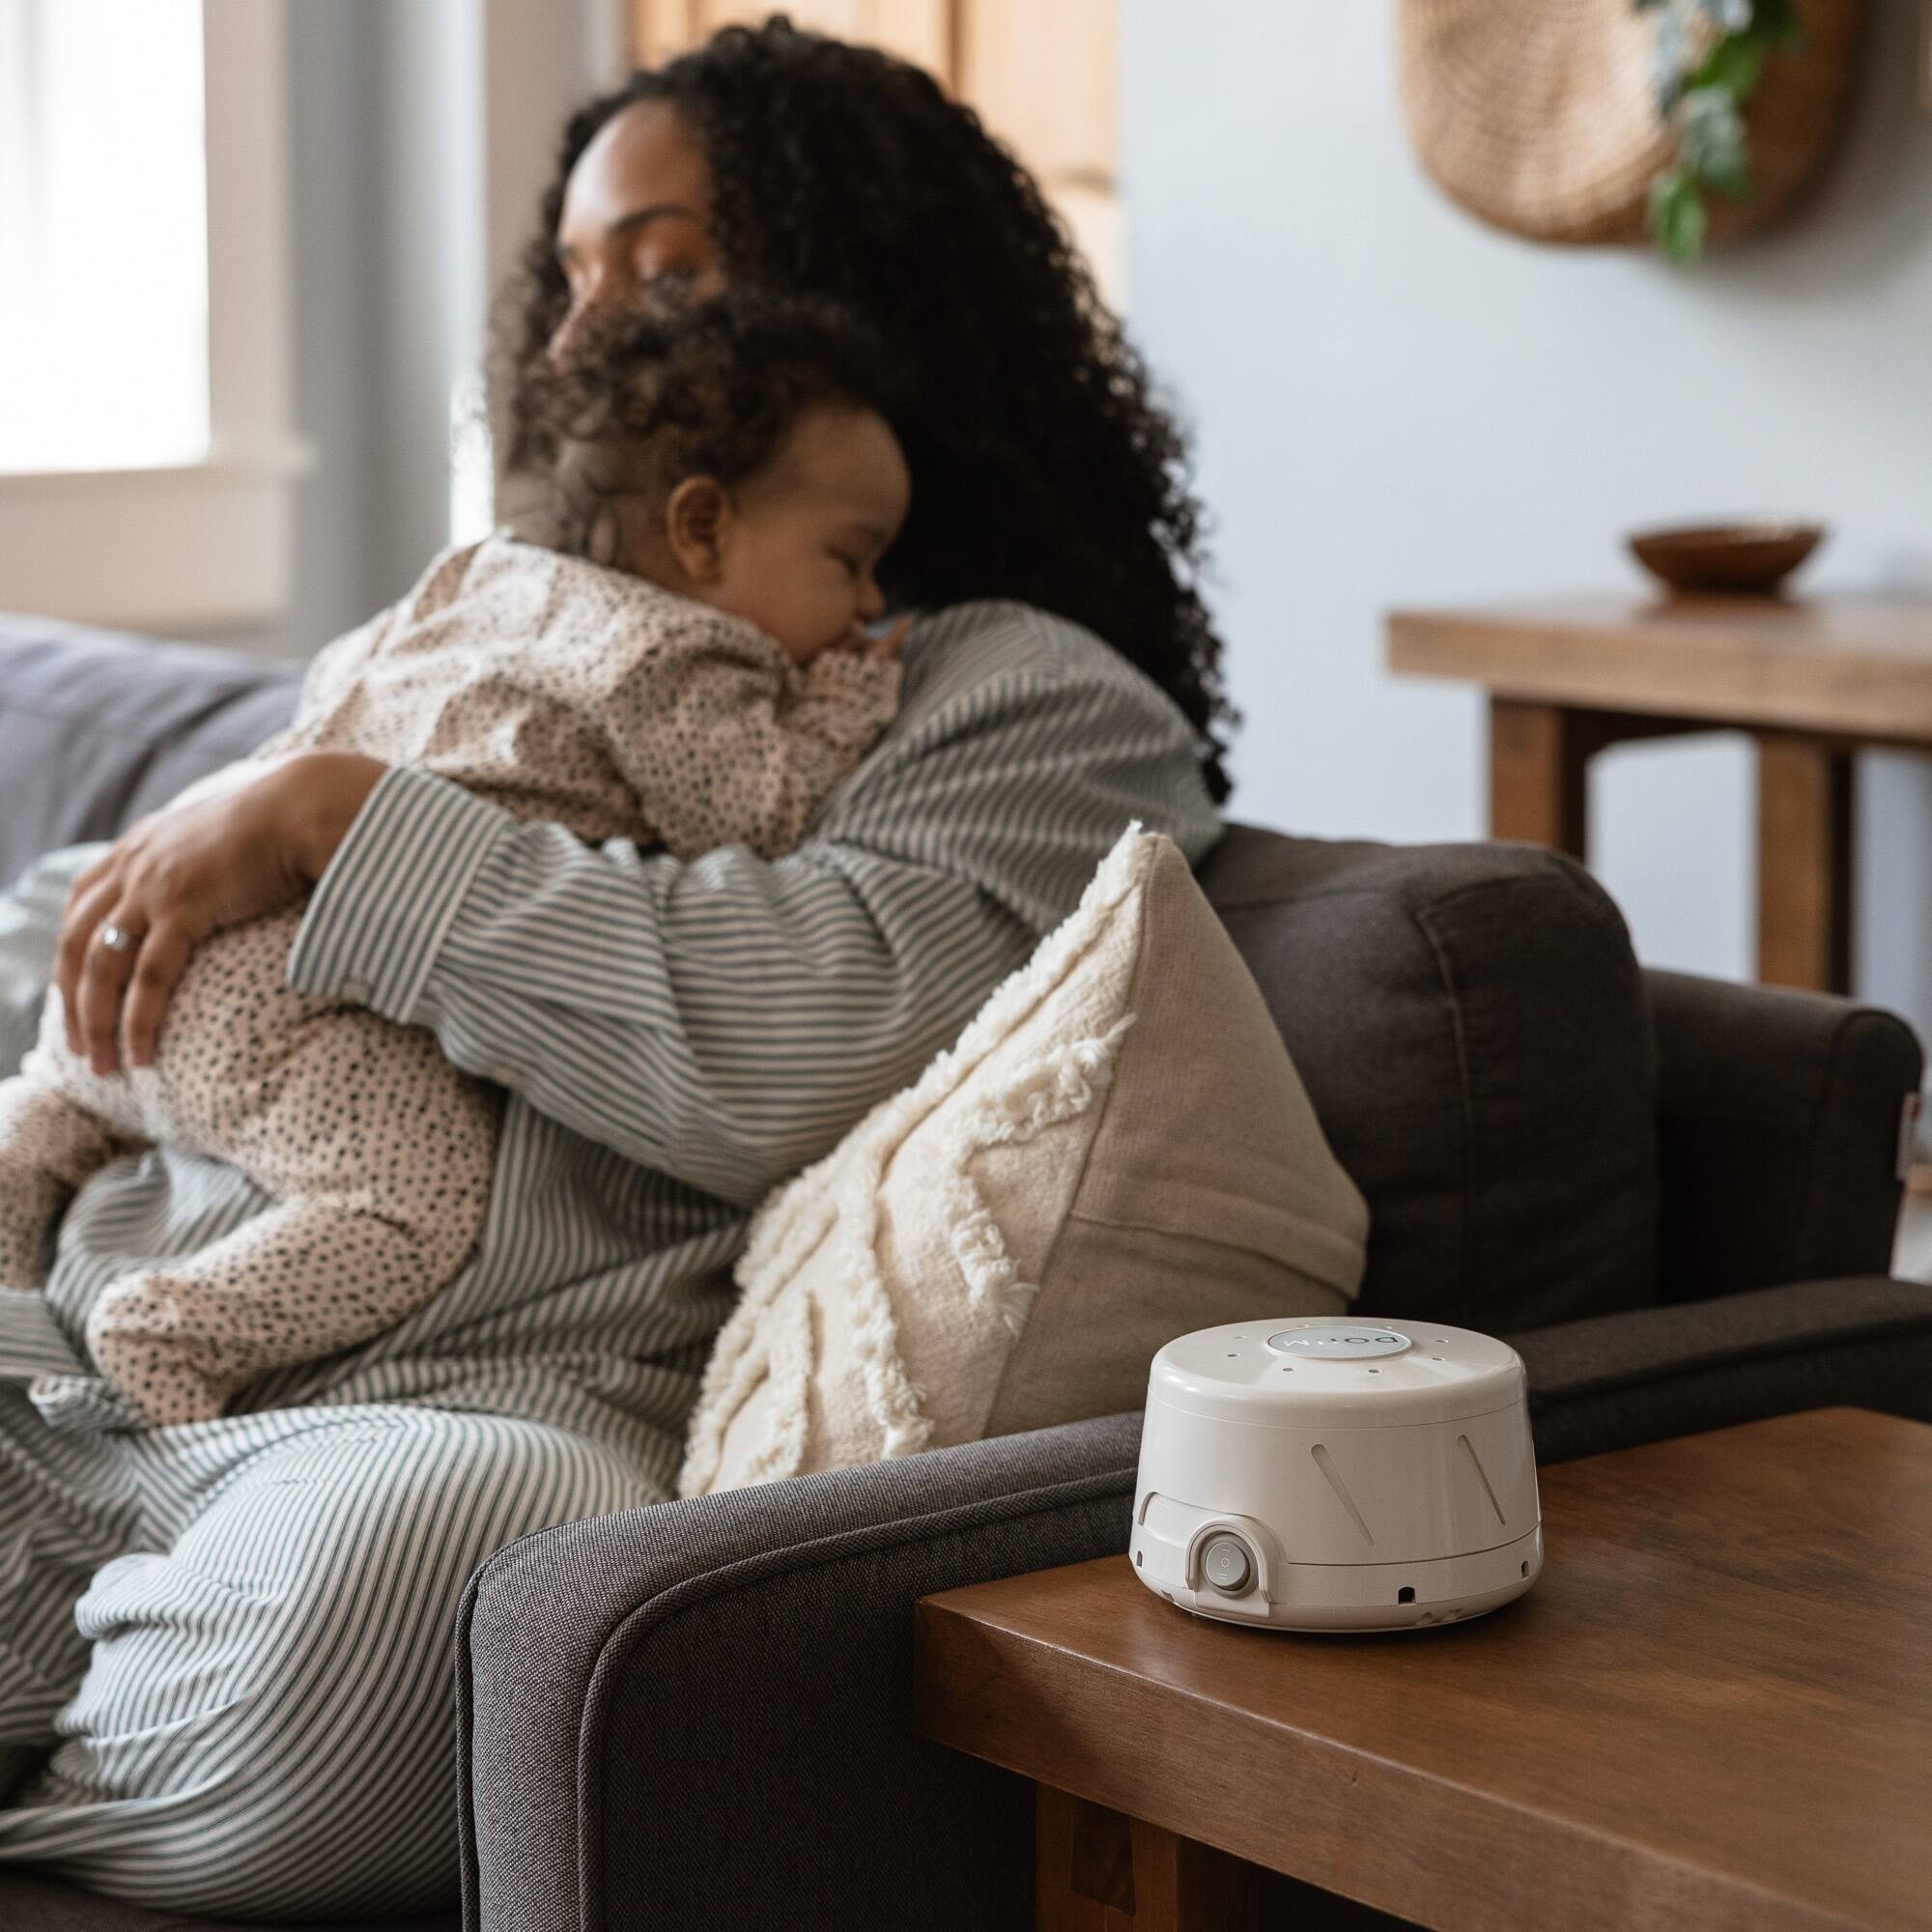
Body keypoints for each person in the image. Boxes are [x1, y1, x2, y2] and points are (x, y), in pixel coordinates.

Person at [0, 19, 1230, 1918]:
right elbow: (93, 904)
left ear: (869, 287)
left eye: (660, 270)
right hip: (84, 1341)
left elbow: (787, 1036)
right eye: (567, 280)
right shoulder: (497, 632)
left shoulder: (1030, 707)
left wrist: (349, 824)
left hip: (452, 1420)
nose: (581, 340)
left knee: (462, 1565)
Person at [0, 292, 909, 1432]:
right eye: (852, 557)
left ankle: (17, 1194)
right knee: (407, 1202)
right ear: (701, 526)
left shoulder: (476, 579)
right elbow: (760, 818)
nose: (872, 600)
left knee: (59, 1098)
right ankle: (178, 1326)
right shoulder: (674, 656)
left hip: (155, 964)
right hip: (301, 994)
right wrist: (849, 694)